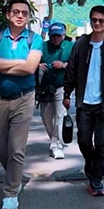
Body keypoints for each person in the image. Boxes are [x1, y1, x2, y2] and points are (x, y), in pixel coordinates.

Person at [0, 0, 44, 209]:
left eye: (24, 13)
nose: (20, 16)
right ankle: (14, 176)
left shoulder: (35, 39)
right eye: (16, 12)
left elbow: (30, 69)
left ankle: (10, 193)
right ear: (8, 14)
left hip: (24, 98)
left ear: (28, 17)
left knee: (17, 148)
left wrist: (3, 65)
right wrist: (20, 62)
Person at [62, 6, 104, 196]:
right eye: (94, 20)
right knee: (83, 140)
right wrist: (67, 93)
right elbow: (71, 69)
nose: (97, 23)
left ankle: (96, 179)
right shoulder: (81, 44)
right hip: (84, 103)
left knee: (101, 142)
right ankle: (91, 165)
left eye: (101, 20)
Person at [37, 22, 73, 159]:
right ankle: (54, 138)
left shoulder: (70, 46)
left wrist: (63, 65)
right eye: (53, 36)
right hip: (45, 88)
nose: (56, 39)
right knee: (46, 118)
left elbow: (77, 64)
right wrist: (39, 65)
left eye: (58, 36)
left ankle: (56, 145)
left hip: (62, 86)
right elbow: (32, 60)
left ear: (63, 35)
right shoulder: (43, 46)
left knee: (59, 116)